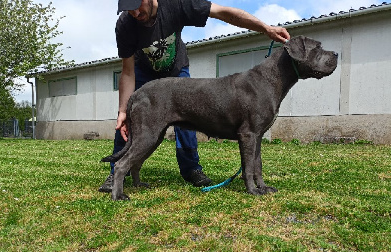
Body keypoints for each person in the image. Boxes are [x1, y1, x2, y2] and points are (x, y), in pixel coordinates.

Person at [99, 0, 291, 193]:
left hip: (176, 69)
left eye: (137, 4)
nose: (134, 12)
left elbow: (224, 12)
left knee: (190, 119)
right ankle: (117, 171)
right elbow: (127, 71)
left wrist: (266, 29)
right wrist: (123, 110)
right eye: (127, 8)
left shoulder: (176, 4)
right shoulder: (125, 24)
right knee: (132, 124)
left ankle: (191, 169)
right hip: (144, 72)